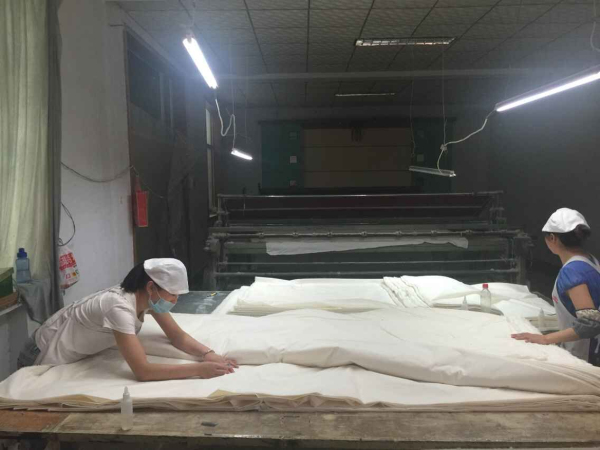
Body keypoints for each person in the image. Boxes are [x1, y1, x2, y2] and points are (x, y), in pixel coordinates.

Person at [17, 258, 238, 380]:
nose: (175, 300)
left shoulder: (148, 299)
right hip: (42, 351)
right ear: (151, 287)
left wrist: (208, 354)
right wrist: (199, 370)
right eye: (173, 294)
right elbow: (143, 371)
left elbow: (177, 336)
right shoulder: (119, 307)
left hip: (67, 349)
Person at [512, 208, 600, 366]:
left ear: (552, 238)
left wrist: (546, 338)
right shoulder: (590, 260)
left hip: (586, 355)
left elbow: (590, 324)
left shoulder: (572, 271)